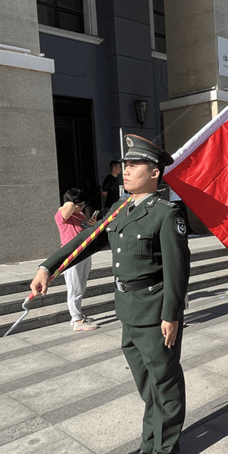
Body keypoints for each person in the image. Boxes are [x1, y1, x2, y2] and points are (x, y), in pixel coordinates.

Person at [31, 134, 190, 454]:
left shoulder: (165, 213)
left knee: (165, 385)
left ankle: (166, 448)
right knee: (147, 388)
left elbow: (177, 269)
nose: (126, 170)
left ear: (155, 172)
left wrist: (171, 315)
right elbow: (87, 239)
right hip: (128, 310)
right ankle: (150, 444)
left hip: (155, 311)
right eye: (125, 164)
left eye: (134, 165)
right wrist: (49, 267)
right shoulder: (121, 209)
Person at [55, 188, 99, 331]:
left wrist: (90, 224)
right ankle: (77, 319)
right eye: (80, 204)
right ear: (73, 203)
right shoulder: (61, 215)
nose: (81, 207)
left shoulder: (79, 216)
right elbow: (67, 206)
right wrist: (73, 201)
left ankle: (77, 315)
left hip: (84, 253)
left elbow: (83, 230)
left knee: (81, 285)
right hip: (71, 255)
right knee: (74, 287)